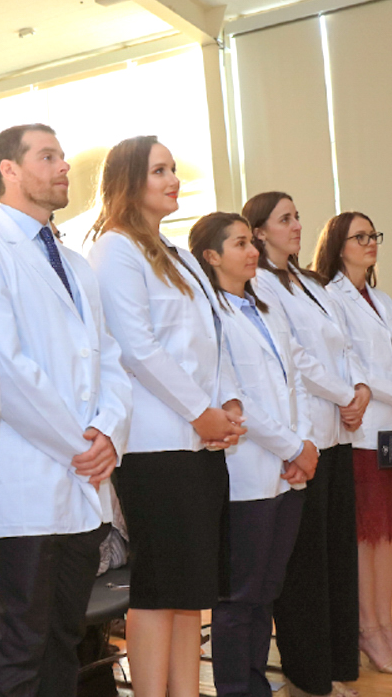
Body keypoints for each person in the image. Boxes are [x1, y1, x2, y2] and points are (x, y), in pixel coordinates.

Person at [0, 124, 132, 697]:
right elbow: (5, 367)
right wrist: (80, 444)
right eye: (49, 156)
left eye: (62, 156)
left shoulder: (74, 262)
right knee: (21, 639)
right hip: (29, 478)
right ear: (9, 171)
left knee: (66, 634)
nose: (64, 167)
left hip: (84, 478)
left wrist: (108, 430)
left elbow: (110, 357)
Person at [86, 136, 246, 697]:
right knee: (158, 587)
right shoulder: (114, 249)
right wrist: (201, 411)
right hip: (155, 443)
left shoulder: (174, 251)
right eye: (159, 170)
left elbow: (211, 336)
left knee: (189, 589)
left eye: (174, 169)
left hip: (198, 441)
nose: (173, 178)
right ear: (130, 181)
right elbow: (135, 346)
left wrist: (227, 402)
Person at [244, 192, 369, 697]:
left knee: (337, 556)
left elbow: (342, 343)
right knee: (305, 568)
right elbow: (296, 358)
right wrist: (346, 393)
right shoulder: (258, 283)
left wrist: (359, 387)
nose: (297, 226)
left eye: (297, 217)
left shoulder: (307, 282)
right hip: (305, 435)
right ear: (258, 231)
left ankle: (339, 663)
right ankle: (309, 675)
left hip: (338, 431)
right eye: (285, 219)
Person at [190, 212, 310, 697]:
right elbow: (238, 398)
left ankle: (256, 683)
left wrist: (301, 444)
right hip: (247, 472)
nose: (251, 251)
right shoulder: (211, 314)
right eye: (239, 243)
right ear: (211, 256)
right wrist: (292, 445)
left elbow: (293, 380)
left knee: (267, 593)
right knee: (239, 598)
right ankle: (238, 689)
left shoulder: (263, 306)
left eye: (250, 241)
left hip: (287, 469)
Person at [314, 213, 392, 676]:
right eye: (360, 237)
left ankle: (384, 623)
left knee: (390, 536)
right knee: (366, 537)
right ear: (339, 246)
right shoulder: (329, 297)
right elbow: (349, 363)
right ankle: (367, 628)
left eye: (374, 235)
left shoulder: (379, 297)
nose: (370, 243)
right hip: (360, 432)